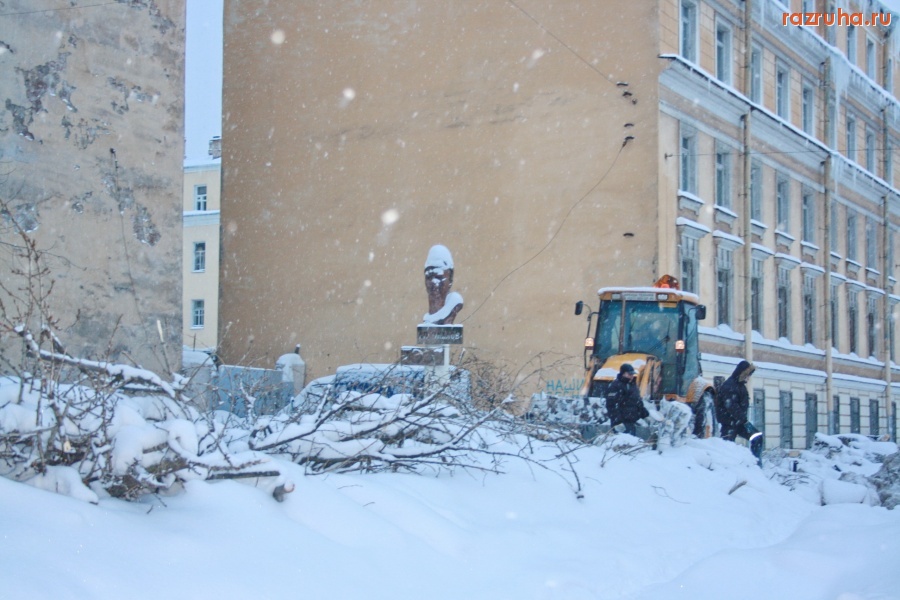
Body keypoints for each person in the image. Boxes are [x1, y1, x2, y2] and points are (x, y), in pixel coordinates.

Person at [715, 360, 764, 465]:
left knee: (757, 437)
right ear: (743, 373)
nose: (749, 378)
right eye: (748, 375)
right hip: (729, 424)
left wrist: (743, 421)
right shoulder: (730, 386)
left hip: (738, 423)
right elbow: (731, 406)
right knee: (726, 448)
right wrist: (744, 420)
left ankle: (754, 463)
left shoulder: (740, 386)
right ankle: (726, 467)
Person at [422, 244, 464, 325]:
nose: (434, 282)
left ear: (450, 279)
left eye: (438, 277)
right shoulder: (427, 322)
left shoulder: (454, 304)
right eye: (429, 277)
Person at [605, 363, 648, 435]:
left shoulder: (632, 385)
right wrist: (617, 421)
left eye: (632, 374)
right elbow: (611, 405)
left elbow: (637, 401)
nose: (631, 376)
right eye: (629, 374)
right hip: (621, 423)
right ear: (623, 374)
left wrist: (644, 413)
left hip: (631, 421)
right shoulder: (615, 386)